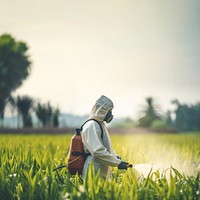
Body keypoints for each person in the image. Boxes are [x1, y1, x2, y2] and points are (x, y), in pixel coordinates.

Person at [81, 95, 130, 180]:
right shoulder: (92, 125)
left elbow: (105, 147)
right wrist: (117, 163)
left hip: (101, 171)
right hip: (94, 172)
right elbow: (97, 151)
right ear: (102, 110)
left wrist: (115, 156)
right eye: (109, 111)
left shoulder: (100, 125)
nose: (110, 114)